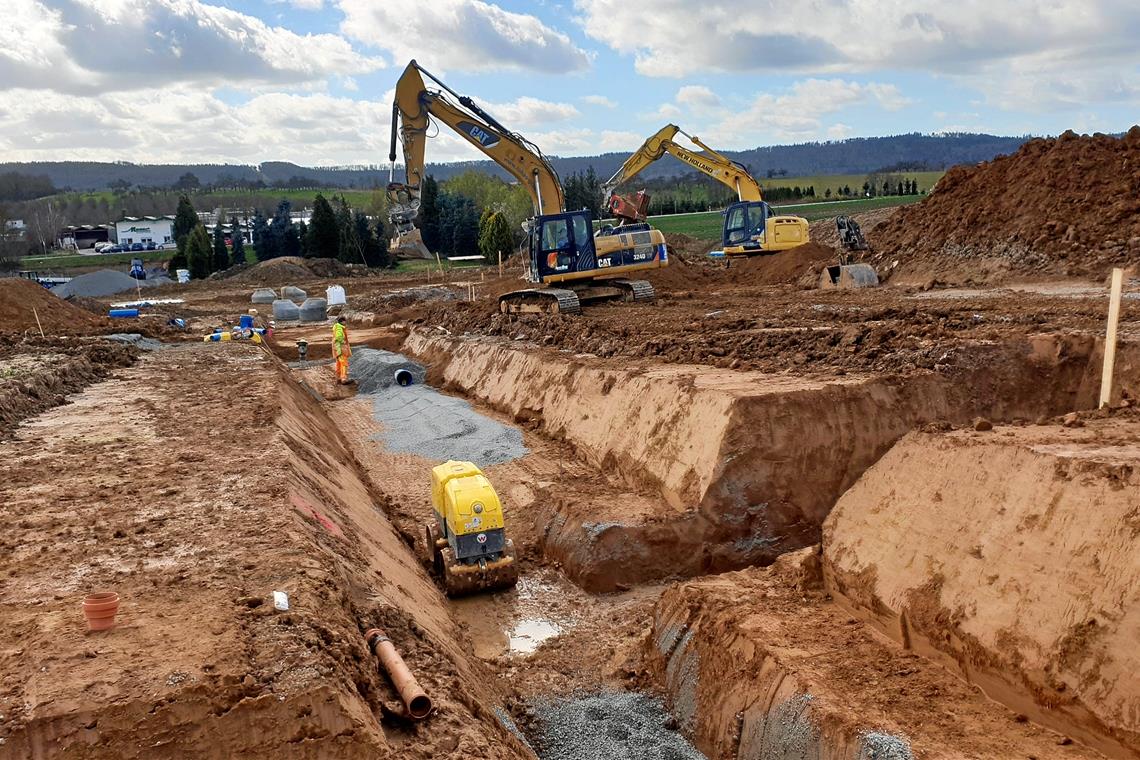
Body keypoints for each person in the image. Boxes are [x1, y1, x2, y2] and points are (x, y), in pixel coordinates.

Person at [332, 316, 352, 384]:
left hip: (337, 348)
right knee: (344, 363)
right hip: (340, 348)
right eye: (345, 321)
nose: (345, 322)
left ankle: (338, 378)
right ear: (342, 321)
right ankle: (343, 378)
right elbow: (339, 337)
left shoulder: (337, 327)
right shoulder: (339, 328)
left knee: (339, 363)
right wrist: (343, 342)